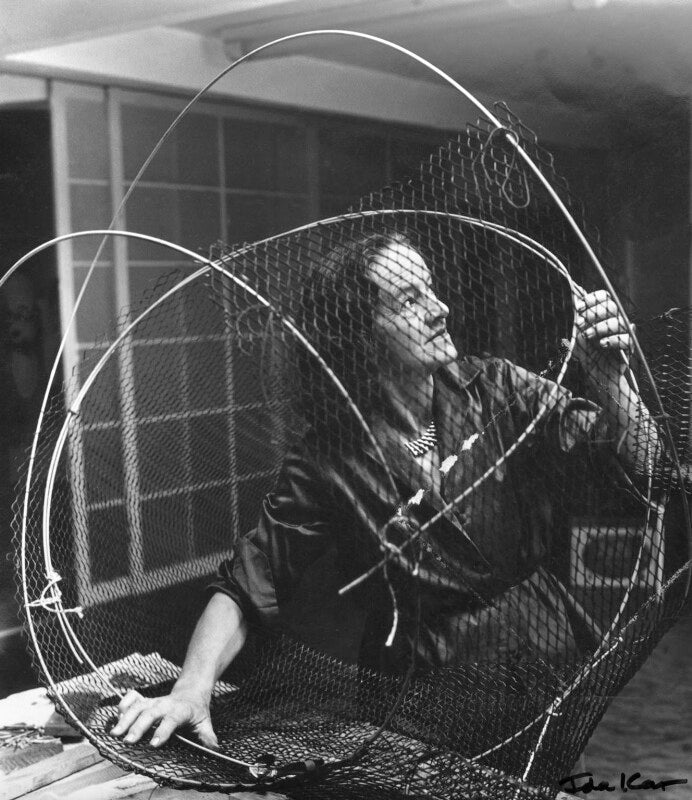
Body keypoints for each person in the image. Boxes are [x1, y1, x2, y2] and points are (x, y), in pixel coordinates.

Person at [111, 230, 657, 750]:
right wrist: (191, 688)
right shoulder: (330, 459)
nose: (439, 307)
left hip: (546, 654)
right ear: (361, 332)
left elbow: (647, 463)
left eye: (432, 288)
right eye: (409, 298)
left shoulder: (498, 389)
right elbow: (251, 579)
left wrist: (610, 377)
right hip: (424, 690)